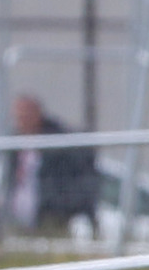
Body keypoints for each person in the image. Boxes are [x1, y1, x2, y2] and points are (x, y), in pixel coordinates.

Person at [9, 94, 100, 235]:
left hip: (50, 218)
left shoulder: (58, 143)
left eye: (27, 113)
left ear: (38, 113)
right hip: (17, 219)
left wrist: (58, 208)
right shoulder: (12, 145)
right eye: (19, 115)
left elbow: (72, 182)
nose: (22, 119)